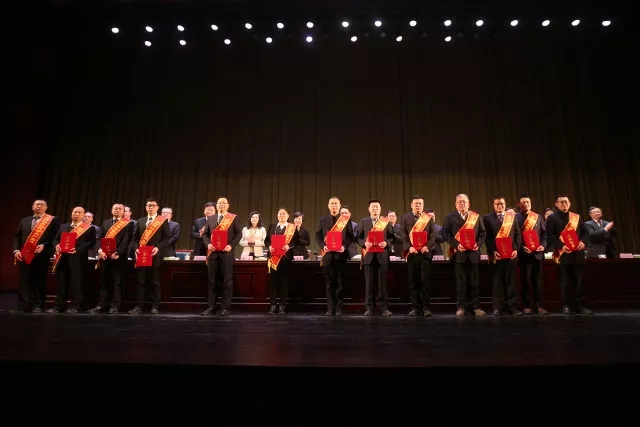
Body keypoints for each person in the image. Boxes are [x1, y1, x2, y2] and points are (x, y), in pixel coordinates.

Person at [546, 194, 593, 315]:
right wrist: (561, 246)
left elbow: (585, 232)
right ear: (556, 204)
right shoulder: (552, 218)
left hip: (578, 253)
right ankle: (566, 305)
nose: (564, 204)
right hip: (563, 254)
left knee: (579, 281)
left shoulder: (576, 217)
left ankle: (581, 306)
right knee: (564, 281)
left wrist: (583, 242)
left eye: (566, 202)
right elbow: (551, 236)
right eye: (561, 202)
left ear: (570, 203)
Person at [442, 193, 487, 316]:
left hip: (473, 254)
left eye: (464, 202)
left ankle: (476, 307)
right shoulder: (450, 217)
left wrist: (478, 244)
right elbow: (445, 234)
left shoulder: (476, 217)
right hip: (459, 255)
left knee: (474, 282)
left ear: (468, 204)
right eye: (459, 202)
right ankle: (461, 307)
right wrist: (456, 245)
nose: (462, 204)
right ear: (455, 204)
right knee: (461, 283)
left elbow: (483, 233)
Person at [12, 199, 59, 313]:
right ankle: (23, 305)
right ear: (32, 207)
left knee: (39, 281)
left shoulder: (52, 220)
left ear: (46, 208)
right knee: (24, 281)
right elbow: (17, 237)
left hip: (41, 255)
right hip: (24, 255)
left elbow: (54, 237)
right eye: (37, 204)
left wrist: (44, 245)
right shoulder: (24, 220)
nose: (39, 206)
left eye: (42, 205)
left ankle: (38, 305)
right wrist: (16, 250)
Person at [48, 206, 97, 313]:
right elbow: (55, 240)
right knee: (61, 283)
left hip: (77, 259)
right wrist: (56, 245)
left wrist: (78, 249)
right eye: (75, 212)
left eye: (79, 212)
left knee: (76, 283)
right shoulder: (63, 226)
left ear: (83, 215)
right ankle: (59, 306)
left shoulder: (89, 228)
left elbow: (91, 242)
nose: (76, 214)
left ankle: (75, 306)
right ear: (71, 213)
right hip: (62, 258)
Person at [87, 203, 134, 314]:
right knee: (104, 281)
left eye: (120, 209)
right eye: (115, 208)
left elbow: (126, 240)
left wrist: (118, 252)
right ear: (112, 210)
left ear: (123, 211)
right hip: (105, 256)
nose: (117, 210)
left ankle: (114, 306)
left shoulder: (128, 223)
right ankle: (100, 305)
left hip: (119, 257)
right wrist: (100, 250)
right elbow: (100, 238)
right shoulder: (106, 222)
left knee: (117, 282)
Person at [128, 197, 171, 315]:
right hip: (141, 254)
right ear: (146, 207)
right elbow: (135, 238)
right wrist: (136, 248)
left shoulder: (162, 220)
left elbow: (167, 237)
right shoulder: (140, 221)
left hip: (154, 254)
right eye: (148, 205)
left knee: (154, 280)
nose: (150, 207)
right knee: (140, 280)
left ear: (157, 207)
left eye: (153, 205)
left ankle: (155, 306)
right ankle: (139, 306)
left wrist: (158, 248)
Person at [201, 197, 243, 316]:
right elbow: (205, 234)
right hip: (213, 254)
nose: (222, 205)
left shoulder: (233, 218)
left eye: (224, 203)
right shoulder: (211, 218)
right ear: (216, 205)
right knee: (212, 281)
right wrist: (208, 244)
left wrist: (231, 245)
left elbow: (238, 234)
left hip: (226, 253)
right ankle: (211, 307)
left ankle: (225, 308)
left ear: (228, 205)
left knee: (227, 281)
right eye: (219, 203)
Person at [315, 196, 355, 316]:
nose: (334, 206)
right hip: (327, 256)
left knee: (340, 282)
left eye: (336, 204)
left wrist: (344, 246)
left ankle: (339, 309)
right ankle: (330, 308)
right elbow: (318, 236)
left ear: (339, 206)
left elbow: (350, 236)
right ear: (328, 206)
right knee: (329, 283)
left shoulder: (345, 219)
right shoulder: (323, 220)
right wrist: (323, 246)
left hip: (341, 255)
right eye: (332, 203)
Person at [483, 197, 522, 316]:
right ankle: (497, 307)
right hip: (497, 255)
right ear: (493, 205)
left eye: (502, 204)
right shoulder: (487, 218)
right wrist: (492, 251)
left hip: (511, 255)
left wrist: (516, 249)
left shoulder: (512, 217)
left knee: (511, 282)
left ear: (505, 204)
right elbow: (487, 237)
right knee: (497, 282)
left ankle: (513, 307)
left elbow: (518, 235)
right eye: (497, 204)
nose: (500, 206)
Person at [399, 195, 437, 316]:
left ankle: (426, 308)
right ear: (411, 205)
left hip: (425, 254)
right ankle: (415, 308)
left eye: (420, 203)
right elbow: (403, 234)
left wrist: (428, 246)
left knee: (425, 282)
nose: (418, 206)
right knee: (413, 282)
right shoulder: (405, 217)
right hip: (412, 254)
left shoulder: (428, 218)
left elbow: (433, 235)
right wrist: (409, 247)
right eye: (416, 203)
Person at [357, 199, 395, 316]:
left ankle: (383, 308)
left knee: (382, 284)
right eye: (373, 207)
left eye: (377, 207)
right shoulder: (364, 222)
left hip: (382, 256)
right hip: (368, 257)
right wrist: (364, 243)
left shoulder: (385, 221)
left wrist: (386, 243)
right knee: (369, 284)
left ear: (380, 209)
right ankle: (369, 308)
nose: (375, 209)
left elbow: (392, 237)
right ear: (369, 209)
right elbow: (358, 237)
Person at [516, 193, 548, 315]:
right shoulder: (514, 218)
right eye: (523, 202)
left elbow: (544, 234)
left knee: (538, 281)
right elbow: (514, 236)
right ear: (519, 204)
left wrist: (543, 245)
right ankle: (526, 305)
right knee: (525, 281)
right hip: (523, 255)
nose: (526, 204)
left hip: (537, 254)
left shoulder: (538, 217)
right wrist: (521, 247)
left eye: (528, 202)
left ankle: (539, 306)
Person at [265, 207, 300, 314]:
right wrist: (269, 246)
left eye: (284, 214)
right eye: (280, 214)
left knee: (284, 282)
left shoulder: (292, 227)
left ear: (288, 216)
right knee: (273, 282)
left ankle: (282, 306)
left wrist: (289, 246)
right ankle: (273, 305)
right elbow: (266, 240)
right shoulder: (272, 226)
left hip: (285, 258)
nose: (282, 216)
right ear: (277, 216)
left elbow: (296, 242)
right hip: (273, 258)